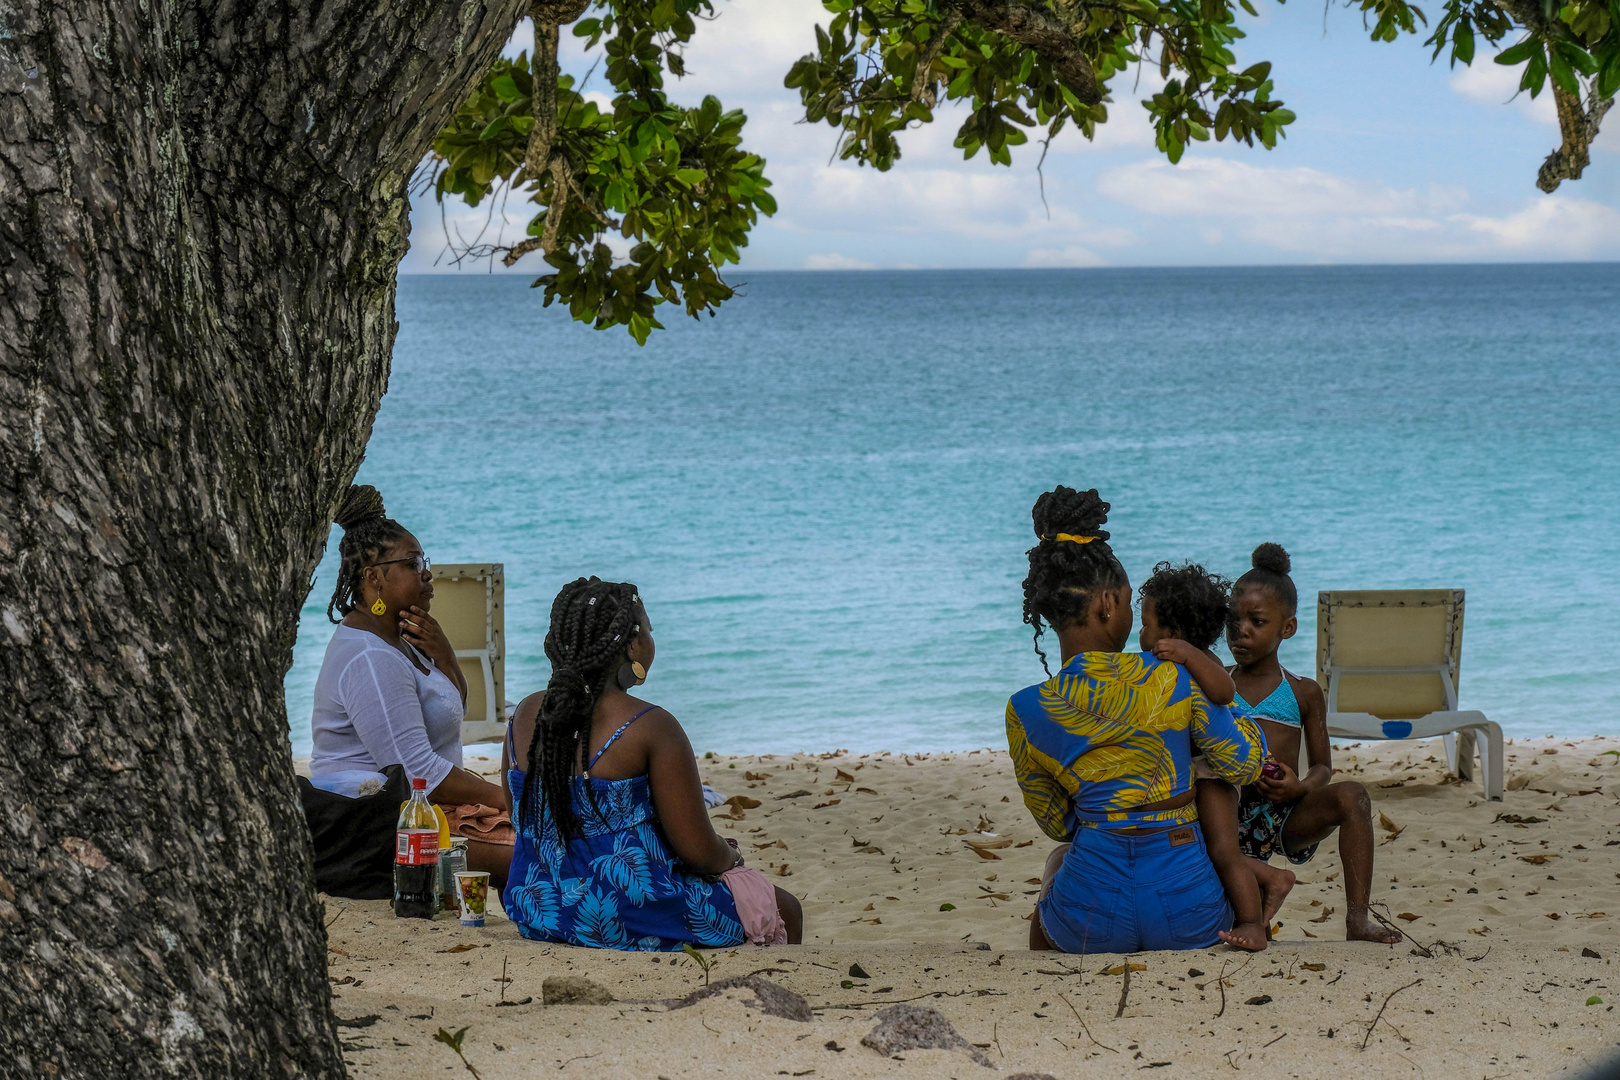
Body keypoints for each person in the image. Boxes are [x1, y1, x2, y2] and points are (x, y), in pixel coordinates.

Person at [1007, 487, 1268, 954]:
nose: (1129, 613)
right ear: (1107, 603)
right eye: (1128, 603)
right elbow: (1242, 766)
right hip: (1191, 917)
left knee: (1058, 862)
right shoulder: (1174, 675)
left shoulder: (1025, 709)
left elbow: (1058, 823)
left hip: (1089, 924)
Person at [502, 577, 803, 950]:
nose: (650, 638)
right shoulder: (652, 726)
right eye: (648, 629)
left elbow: (525, 818)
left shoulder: (525, 716)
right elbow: (699, 852)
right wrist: (731, 856)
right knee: (786, 906)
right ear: (631, 646)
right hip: (631, 914)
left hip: (540, 909)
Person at [307, 485, 513, 888]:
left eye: (425, 561)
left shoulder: (398, 637)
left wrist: (447, 659)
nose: (427, 574)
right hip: (384, 821)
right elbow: (416, 771)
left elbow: (449, 714)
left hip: (425, 804)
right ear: (374, 578)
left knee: (546, 838)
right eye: (413, 562)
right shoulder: (371, 657)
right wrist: (503, 797)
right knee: (536, 849)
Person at [1226, 543, 1401, 944]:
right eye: (1232, 621)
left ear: (1287, 627)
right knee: (1252, 927)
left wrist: (1299, 787)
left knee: (1352, 796)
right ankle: (1251, 901)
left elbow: (1323, 766)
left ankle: (1358, 920)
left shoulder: (1303, 692)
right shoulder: (1218, 682)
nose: (1241, 631)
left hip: (1284, 815)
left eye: (1256, 621)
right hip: (1225, 816)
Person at [1138, 562, 1296, 951]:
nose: (1140, 633)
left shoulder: (1199, 658)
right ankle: (1270, 878)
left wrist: (1190, 654)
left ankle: (1252, 921)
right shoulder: (1163, 662)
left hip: (1213, 772)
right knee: (1199, 846)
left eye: (1147, 624)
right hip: (1188, 772)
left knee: (1223, 850)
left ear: (1173, 634)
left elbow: (1224, 692)